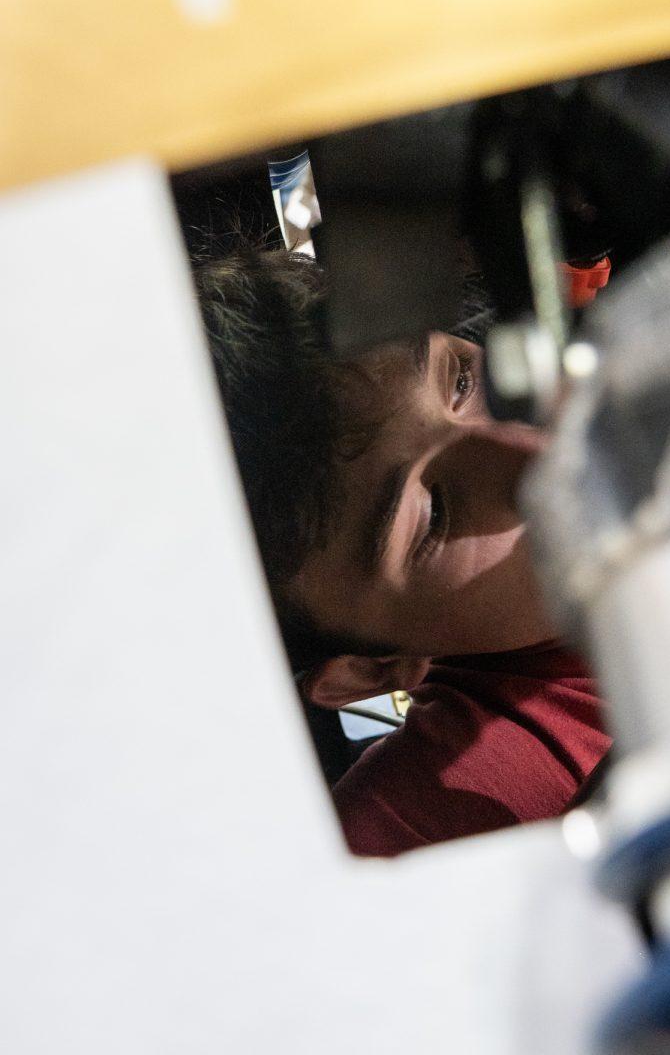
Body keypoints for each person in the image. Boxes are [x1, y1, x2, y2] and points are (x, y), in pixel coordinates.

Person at [192, 237, 610, 855]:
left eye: (462, 379)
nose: (535, 447)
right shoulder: (426, 847)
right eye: (433, 512)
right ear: (370, 670)